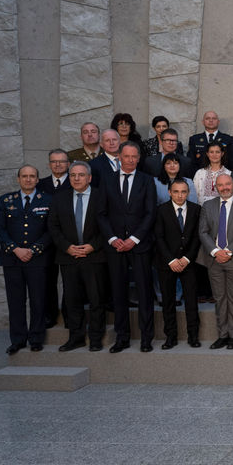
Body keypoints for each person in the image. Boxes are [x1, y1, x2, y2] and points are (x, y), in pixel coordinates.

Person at [98, 142, 155, 353]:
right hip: (115, 246)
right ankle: (122, 337)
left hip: (139, 245)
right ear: (119, 157)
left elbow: (150, 213)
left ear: (139, 158)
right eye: (126, 156)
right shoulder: (107, 180)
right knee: (118, 292)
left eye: (134, 156)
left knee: (144, 292)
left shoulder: (147, 181)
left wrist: (135, 238)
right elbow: (101, 213)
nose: (130, 160)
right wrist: (113, 238)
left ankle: (146, 338)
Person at [48, 161, 108, 352]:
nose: (76, 178)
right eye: (73, 175)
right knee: (72, 300)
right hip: (69, 257)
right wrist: (67, 247)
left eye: (81, 175)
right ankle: (76, 337)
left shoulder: (101, 197)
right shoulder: (59, 198)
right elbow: (53, 226)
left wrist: (92, 246)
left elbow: (108, 226)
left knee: (96, 299)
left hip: (94, 256)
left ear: (89, 178)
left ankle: (96, 338)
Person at [0, 165, 52, 354]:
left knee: (38, 300)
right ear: (18, 179)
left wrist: (33, 250)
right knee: (16, 301)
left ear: (37, 179)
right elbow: (0, 229)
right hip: (12, 260)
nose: (28, 179)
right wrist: (16, 249)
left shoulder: (47, 200)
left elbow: (51, 231)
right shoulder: (6, 200)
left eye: (32, 176)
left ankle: (36, 338)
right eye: (24, 176)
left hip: (38, 259)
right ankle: (18, 340)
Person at [197, 173, 233, 349]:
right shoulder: (208, 205)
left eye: (227, 184)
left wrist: (228, 251)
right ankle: (223, 334)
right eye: (220, 185)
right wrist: (215, 251)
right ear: (215, 187)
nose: (224, 187)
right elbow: (203, 231)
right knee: (219, 298)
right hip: (214, 259)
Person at [153, 179, 202, 349]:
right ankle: (170, 337)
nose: (180, 195)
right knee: (168, 301)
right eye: (176, 191)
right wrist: (171, 260)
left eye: (183, 192)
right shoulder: (161, 211)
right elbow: (158, 237)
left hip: (189, 262)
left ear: (188, 193)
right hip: (167, 263)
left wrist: (187, 258)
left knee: (191, 301)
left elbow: (197, 237)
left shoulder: (196, 210)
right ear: (169, 192)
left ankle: (193, 336)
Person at [38, 149, 72, 328]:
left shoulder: (75, 181)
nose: (57, 164)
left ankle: (69, 315)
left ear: (68, 163)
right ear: (49, 164)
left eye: (61, 161)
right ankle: (50, 315)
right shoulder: (41, 184)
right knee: (48, 280)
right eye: (54, 161)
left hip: (69, 240)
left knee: (70, 282)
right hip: (47, 241)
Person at [192, 140, 232, 205]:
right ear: (207, 154)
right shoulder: (199, 173)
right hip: (201, 211)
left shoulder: (229, 174)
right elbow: (194, 195)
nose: (214, 155)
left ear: (222, 154)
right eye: (211, 152)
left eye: (217, 152)